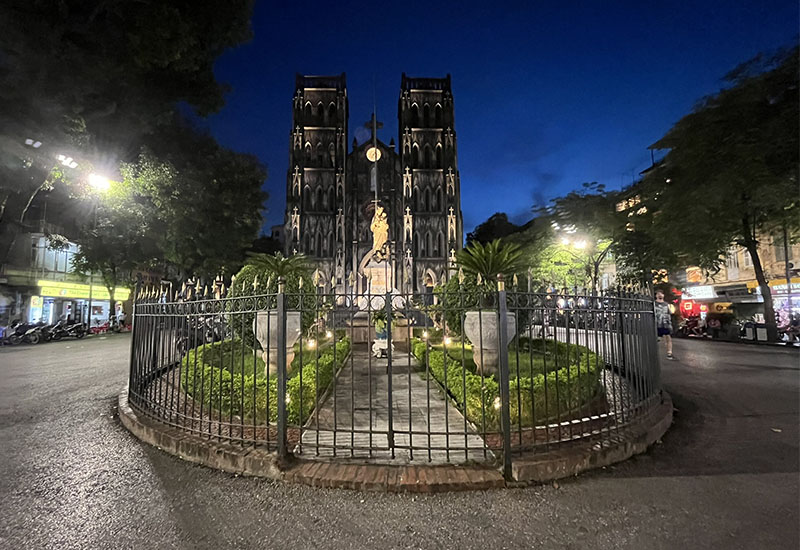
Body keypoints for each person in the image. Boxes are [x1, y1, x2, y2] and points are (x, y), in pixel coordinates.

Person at [654, 290, 675, 360]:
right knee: (657, 339)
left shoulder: (666, 304)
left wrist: (670, 324)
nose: (660, 295)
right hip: (657, 324)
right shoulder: (654, 304)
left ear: (663, 295)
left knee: (668, 338)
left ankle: (669, 353)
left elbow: (669, 314)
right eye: (658, 294)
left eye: (661, 294)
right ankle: (653, 353)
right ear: (656, 295)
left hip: (665, 324)